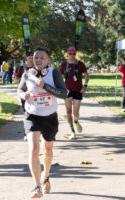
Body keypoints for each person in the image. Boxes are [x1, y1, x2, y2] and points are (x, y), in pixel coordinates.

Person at [17, 47, 67, 198]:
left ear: (48, 60)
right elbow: (19, 90)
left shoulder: (54, 73)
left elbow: (64, 94)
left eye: (41, 57)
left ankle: (46, 176)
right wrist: (23, 94)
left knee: (48, 150)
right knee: (33, 149)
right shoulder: (27, 74)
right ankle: (37, 186)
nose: (38, 60)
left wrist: (45, 86)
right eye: (35, 57)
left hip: (50, 117)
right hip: (32, 115)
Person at [60, 46, 89, 139]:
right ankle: (72, 131)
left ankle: (76, 121)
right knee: (68, 112)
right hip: (67, 91)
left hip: (78, 90)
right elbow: (60, 77)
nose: (72, 55)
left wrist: (85, 86)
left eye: (74, 54)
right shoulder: (63, 65)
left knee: (75, 113)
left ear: (75, 54)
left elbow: (87, 75)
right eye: (70, 53)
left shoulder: (80, 64)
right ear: (67, 54)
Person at [16, 52, 34, 141]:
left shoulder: (37, 68)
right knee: (26, 114)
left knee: (35, 113)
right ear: (26, 58)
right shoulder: (22, 68)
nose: (31, 59)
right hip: (24, 94)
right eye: (30, 57)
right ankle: (26, 133)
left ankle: (37, 131)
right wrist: (17, 81)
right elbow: (17, 78)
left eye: (32, 57)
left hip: (35, 94)